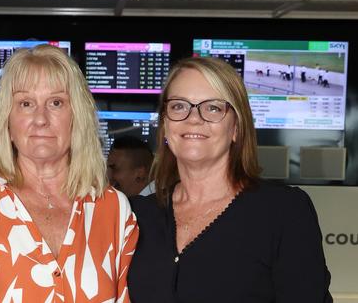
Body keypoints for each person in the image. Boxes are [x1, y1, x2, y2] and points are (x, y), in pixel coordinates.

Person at [0, 44, 139, 302]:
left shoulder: (113, 208)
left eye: (56, 103)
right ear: (8, 122)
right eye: (26, 103)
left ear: (76, 118)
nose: (41, 118)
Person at [127, 57, 331, 303]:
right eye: (179, 106)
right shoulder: (136, 216)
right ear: (165, 124)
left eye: (213, 107)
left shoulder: (283, 212)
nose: (194, 118)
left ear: (236, 127)